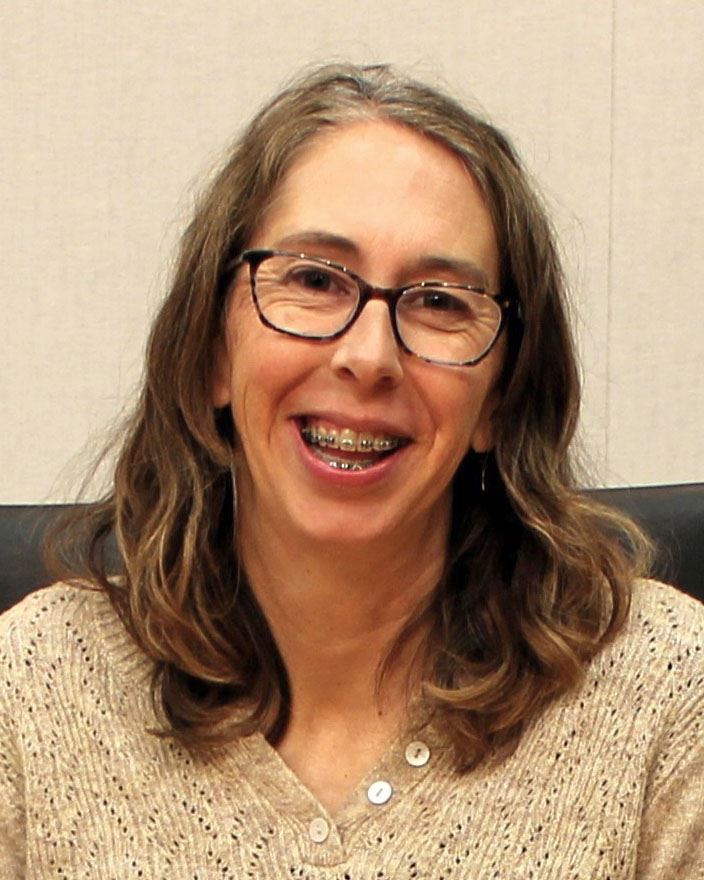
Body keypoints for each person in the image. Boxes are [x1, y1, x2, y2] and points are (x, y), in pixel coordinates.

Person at [1, 62, 702, 879]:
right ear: (211, 355)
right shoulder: (32, 696)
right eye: (313, 280)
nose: (369, 357)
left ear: (502, 400)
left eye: (441, 300)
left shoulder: (668, 701)